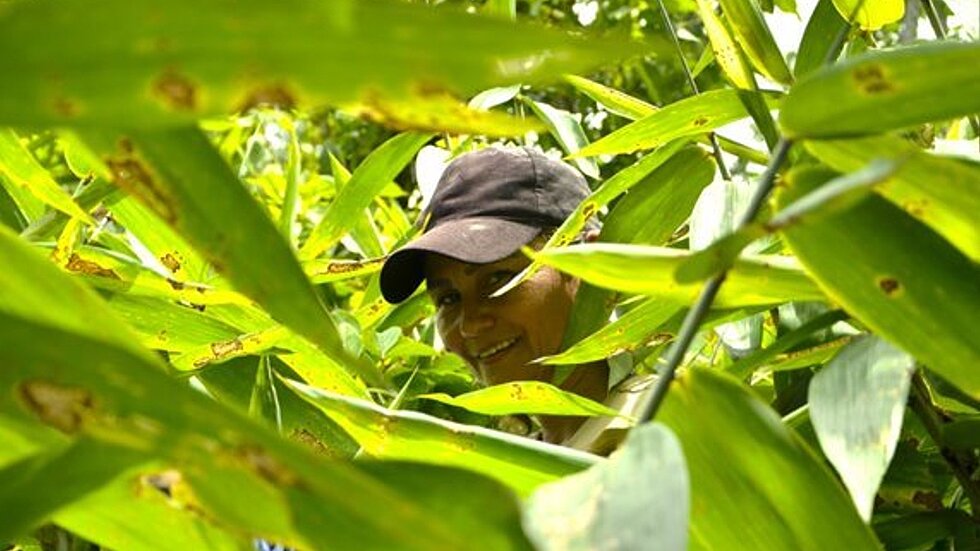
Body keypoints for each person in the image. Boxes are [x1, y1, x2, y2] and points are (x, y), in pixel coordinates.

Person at [380, 146, 654, 454]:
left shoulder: (666, 423)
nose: (470, 325)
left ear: (591, 265)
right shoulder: (523, 466)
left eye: (498, 278)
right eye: (448, 298)